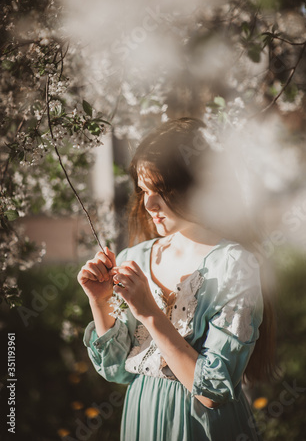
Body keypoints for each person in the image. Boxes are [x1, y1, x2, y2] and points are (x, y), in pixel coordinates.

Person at [78, 117, 276, 441]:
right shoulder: (134, 259)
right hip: (141, 416)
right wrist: (99, 302)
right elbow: (115, 370)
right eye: (143, 190)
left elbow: (213, 389)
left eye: (162, 190)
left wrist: (150, 313)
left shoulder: (235, 266)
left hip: (204, 425)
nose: (149, 203)